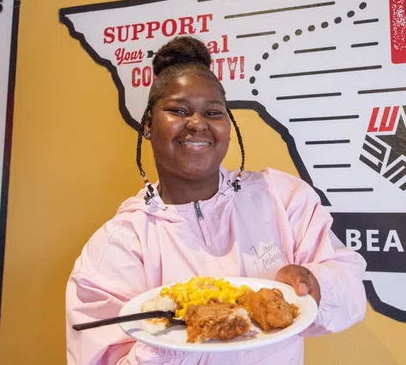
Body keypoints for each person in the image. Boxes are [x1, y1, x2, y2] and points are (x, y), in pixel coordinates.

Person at [66, 36, 367, 364]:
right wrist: (167, 336)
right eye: (178, 110)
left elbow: (351, 289)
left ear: (228, 125)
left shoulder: (281, 197)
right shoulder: (119, 244)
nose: (197, 124)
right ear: (149, 124)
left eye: (213, 112)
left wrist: (314, 282)